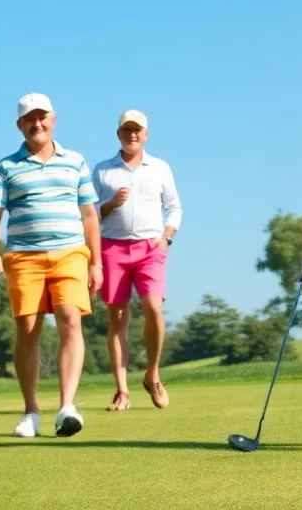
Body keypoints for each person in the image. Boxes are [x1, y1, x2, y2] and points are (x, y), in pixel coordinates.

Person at [0, 93, 103, 438]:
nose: (37, 123)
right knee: (29, 328)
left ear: (54, 120)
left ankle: (67, 407)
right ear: (19, 125)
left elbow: (90, 215)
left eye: (42, 117)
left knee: (69, 319)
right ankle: (31, 411)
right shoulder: (6, 166)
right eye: (29, 119)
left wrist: (96, 261)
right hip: (23, 255)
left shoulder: (75, 161)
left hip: (70, 252)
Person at [91, 109, 182, 411]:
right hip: (112, 247)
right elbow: (90, 215)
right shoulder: (103, 171)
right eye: (126, 130)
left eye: (137, 130)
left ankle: (152, 374)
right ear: (118, 134)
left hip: (150, 247)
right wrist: (110, 204)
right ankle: (122, 391)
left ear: (146, 134)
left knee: (153, 308)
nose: (132, 135)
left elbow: (175, 208)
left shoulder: (159, 167)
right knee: (117, 318)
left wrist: (166, 236)